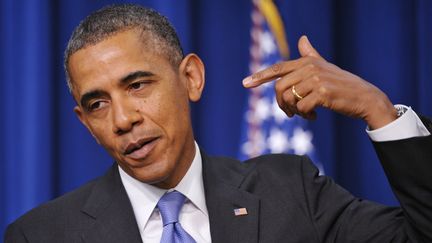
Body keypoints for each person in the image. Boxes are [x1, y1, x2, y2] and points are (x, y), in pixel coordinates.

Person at [5, 4, 432, 243]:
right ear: (84, 122)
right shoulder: (40, 236)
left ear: (191, 78)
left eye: (137, 85)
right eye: (97, 104)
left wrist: (379, 111)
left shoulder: (290, 191)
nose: (122, 119)